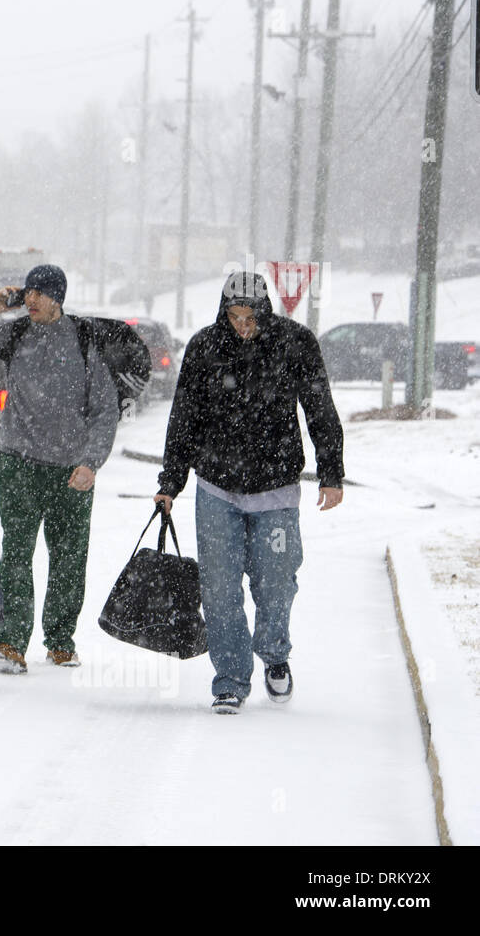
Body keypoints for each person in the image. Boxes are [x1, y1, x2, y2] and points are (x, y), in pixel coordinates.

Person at [154, 270, 344, 715]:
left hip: (276, 489)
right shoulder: (204, 347)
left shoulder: (295, 342)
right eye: (235, 316)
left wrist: (331, 472)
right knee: (219, 591)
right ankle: (230, 679)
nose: (243, 325)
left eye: (250, 317)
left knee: (275, 582)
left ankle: (275, 654)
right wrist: (170, 482)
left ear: (265, 312)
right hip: (216, 488)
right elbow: (184, 417)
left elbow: (319, 407)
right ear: (224, 313)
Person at [0, 264, 118, 673]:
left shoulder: (84, 340)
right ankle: (10, 643)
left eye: (39, 293)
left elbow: (105, 411)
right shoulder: (14, 334)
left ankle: (60, 641)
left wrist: (91, 462)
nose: (30, 300)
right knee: (17, 554)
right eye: (28, 292)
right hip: (18, 464)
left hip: (71, 471)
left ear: (58, 298)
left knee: (69, 559)